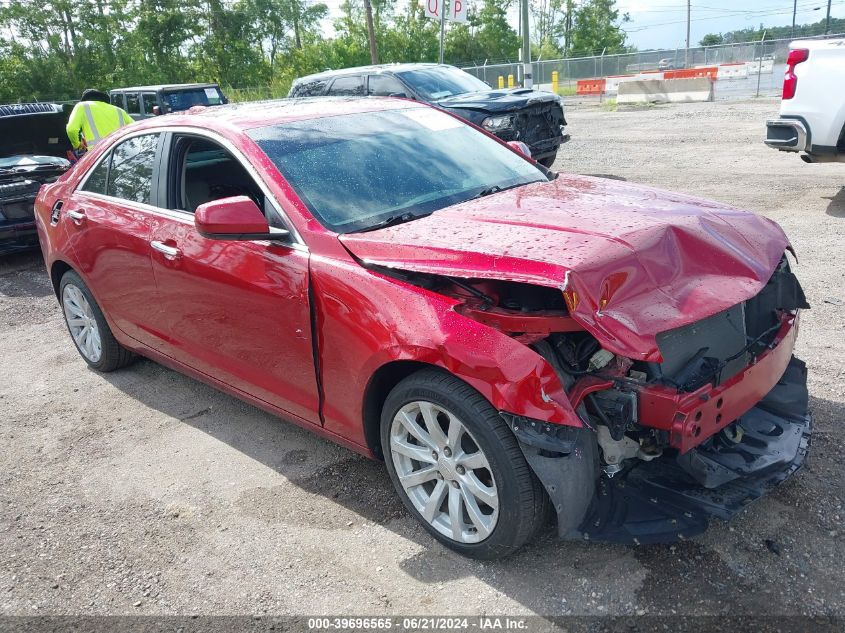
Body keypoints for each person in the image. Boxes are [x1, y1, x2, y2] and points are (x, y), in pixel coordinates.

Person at [65, 89, 133, 155]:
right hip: (121, 153)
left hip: (97, 154)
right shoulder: (119, 110)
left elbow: (72, 129)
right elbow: (137, 127)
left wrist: (77, 145)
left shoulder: (82, 106)